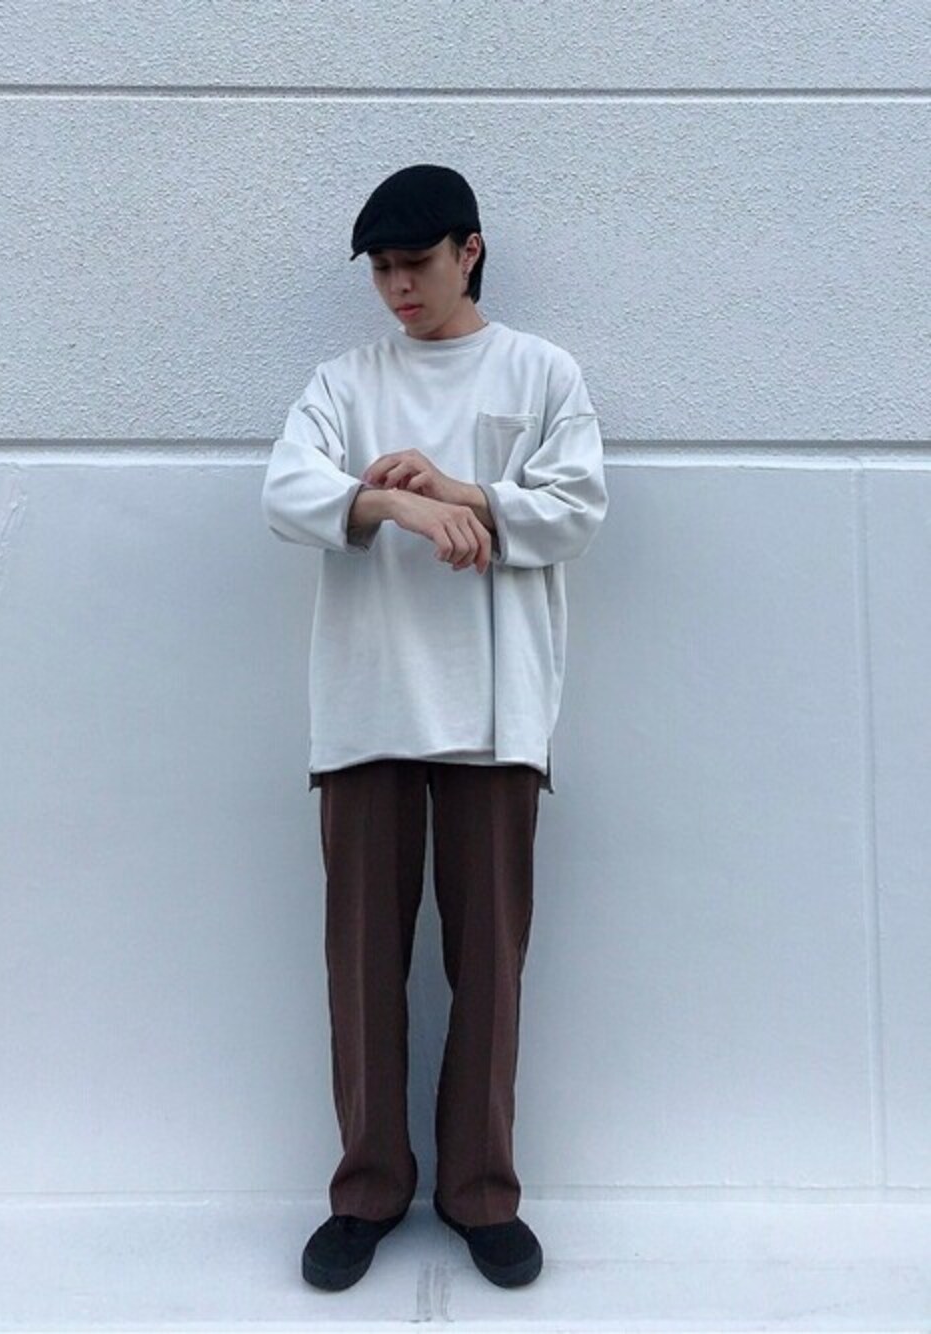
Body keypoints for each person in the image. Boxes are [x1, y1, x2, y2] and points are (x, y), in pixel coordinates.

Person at [260, 163, 609, 1292]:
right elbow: (283, 490)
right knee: (361, 964)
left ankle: (479, 1193)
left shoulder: (540, 371)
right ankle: (366, 1191)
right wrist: (391, 502)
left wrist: (467, 492)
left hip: (498, 709)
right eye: (380, 269)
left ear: (470, 251)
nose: (397, 287)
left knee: (490, 965)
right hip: (366, 704)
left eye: (415, 263)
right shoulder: (345, 382)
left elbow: (577, 508)